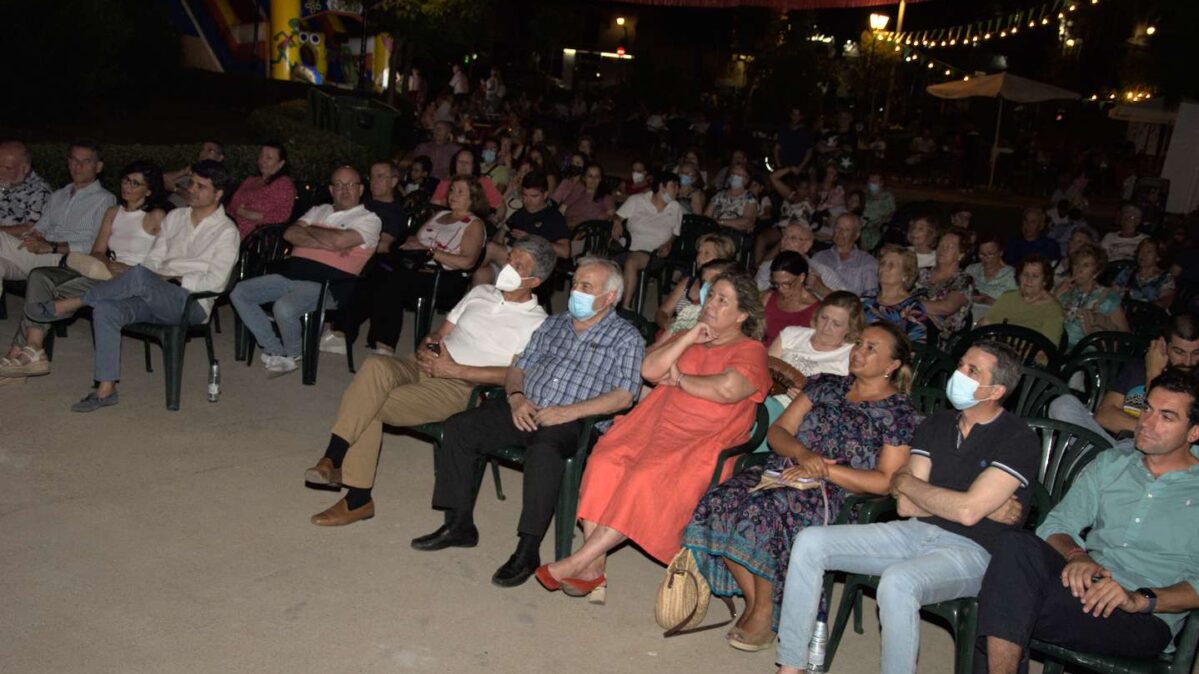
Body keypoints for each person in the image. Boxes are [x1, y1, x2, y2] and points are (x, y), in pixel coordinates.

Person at [775, 341, 1040, 674]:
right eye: (960, 365)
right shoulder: (936, 424)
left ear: (996, 389)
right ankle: (791, 667)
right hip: (914, 531)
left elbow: (967, 512)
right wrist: (956, 500)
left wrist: (922, 489)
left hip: (975, 550)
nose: (959, 374)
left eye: (973, 371)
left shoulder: (1018, 438)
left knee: (898, 582)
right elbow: (904, 504)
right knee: (811, 541)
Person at [410, 257, 644, 588]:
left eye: (586, 287)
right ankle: (459, 523)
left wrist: (568, 412)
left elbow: (625, 396)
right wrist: (517, 396)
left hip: (574, 421)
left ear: (609, 297)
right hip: (525, 405)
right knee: (461, 427)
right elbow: (518, 366)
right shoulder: (553, 324)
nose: (575, 290)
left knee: (544, 451)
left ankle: (528, 547)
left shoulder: (625, 338)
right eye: (575, 283)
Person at [536, 271, 771, 598]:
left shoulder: (751, 349)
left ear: (742, 315)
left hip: (702, 438)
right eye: (711, 295)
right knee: (606, 459)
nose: (711, 304)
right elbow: (648, 370)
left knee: (643, 477)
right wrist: (689, 339)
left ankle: (579, 560)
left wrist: (682, 381)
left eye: (722, 300)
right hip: (654, 424)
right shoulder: (692, 333)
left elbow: (729, 388)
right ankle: (593, 567)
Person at [685, 322, 918, 650]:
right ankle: (758, 602)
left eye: (871, 349)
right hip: (787, 471)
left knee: (764, 509)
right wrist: (802, 454)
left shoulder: (897, 413)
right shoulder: (825, 385)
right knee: (720, 498)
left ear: (892, 366)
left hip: (840, 496)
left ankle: (764, 610)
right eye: (859, 344)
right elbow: (779, 431)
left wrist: (822, 471)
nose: (858, 353)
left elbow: (885, 482)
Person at [303, 236, 557, 526]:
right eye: (511, 259)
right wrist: (430, 344)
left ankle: (357, 496)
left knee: (370, 404)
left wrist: (456, 370)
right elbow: (441, 332)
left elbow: (513, 373)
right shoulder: (481, 292)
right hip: (424, 364)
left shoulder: (538, 323)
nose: (509, 267)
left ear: (535, 281)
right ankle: (333, 460)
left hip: (462, 387)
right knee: (375, 366)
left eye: (519, 265)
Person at [976, 369, 1199, 673]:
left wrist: (1140, 599)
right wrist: (1077, 555)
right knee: (1015, 545)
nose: (1146, 422)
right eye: (1147, 408)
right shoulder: (1111, 465)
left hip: (1143, 619)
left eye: (1167, 417)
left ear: (1194, 432)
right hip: (1085, 589)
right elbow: (1056, 526)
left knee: (1002, 599)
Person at [23, 160, 238, 412]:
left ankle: (72, 302)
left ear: (219, 194)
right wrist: (156, 276)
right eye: (192, 183)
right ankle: (106, 389)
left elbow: (218, 281)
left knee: (138, 275)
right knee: (106, 308)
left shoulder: (227, 231)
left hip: (191, 303)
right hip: (153, 291)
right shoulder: (176, 217)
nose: (192, 189)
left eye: (202, 186)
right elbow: (154, 259)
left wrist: (174, 279)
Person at [0, 161, 167, 380]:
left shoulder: (156, 216)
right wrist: (108, 264)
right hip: (104, 272)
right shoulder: (113, 212)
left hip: (133, 278)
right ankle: (33, 348)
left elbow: (164, 260)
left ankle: (21, 353)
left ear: (149, 190)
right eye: (126, 180)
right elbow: (97, 251)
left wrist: (131, 269)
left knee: (51, 291)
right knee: (39, 276)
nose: (127, 186)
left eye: (135, 183)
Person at [231, 166, 381, 377]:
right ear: (331, 189)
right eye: (338, 185)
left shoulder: (369, 219)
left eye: (350, 185)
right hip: (291, 274)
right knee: (240, 292)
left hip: (330, 284)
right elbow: (291, 233)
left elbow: (339, 240)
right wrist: (329, 240)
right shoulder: (319, 210)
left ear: (361, 189)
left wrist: (312, 232)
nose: (344, 190)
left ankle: (293, 354)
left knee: (283, 307)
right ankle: (275, 349)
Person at [370, 175, 488, 354]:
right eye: (452, 190)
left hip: (444, 276)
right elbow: (417, 239)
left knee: (393, 281)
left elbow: (467, 262)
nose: (453, 195)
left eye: (460, 192)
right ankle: (363, 334)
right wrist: (410, 243)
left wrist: (431, 252)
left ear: (473, 198)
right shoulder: (440, 214)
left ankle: (385, 345)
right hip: (416, 267)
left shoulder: (474, 224)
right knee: (376, 271)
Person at [1049, 312, 1199, 443]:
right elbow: (1104, 416)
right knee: (1062, 404)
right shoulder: (1137, 368)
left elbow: (1169, 436)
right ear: (1163, 345)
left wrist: (1153, 377)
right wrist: (1150, 429)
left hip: (1155, 456)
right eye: (1179, 352)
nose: (1188, 361)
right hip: (1115, 446)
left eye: (1196, 353)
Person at [0, 141, 115, 299]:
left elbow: (95, 247)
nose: (78, 166)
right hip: (37, 256)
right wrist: (35, 237)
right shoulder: (58, 195)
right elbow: (38, 229)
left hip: (66, 261)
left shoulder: (105, 200)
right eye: (74, 160)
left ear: (99, 166)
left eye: (86, 161)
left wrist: (52, 247)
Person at [321, 161, 407, 355]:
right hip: (336, 247)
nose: (374, 181)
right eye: (372, 176)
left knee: (382, 278)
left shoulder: (394, 212)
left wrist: (350, 245)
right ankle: (339, 330)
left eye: (381, 176)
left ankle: (345, 332)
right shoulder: (361, 201)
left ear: (394, 181)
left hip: (370, 258)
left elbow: (383, 245)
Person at [473, 170, 569, 287]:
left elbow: (565, 252)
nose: (527, 201)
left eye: (534, 196)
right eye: (524, 195)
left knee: (490, 248)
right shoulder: (520, 213)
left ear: (545, 195)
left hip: (533, 264)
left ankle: (463, 272)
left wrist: (531, 239)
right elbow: (497, 243)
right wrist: (503, 229)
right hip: (509, 260)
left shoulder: (554, 217)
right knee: (481, 273)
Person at [613, 170, 683, 309]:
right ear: (662, 187)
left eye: (677, 186)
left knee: (632, 261)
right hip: (627, 248)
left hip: (653, 254)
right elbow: (618, 216)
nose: (677, 190)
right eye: (673, 186)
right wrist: (617, 223)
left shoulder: (676, 208)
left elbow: (675, 233)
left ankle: (625, 307)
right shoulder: (637, 200)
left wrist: (669, 244)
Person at [767, 291, 864, 387]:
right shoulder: (791, 334)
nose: (826, 327)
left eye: (836, 324)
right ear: (817, 314)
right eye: (824, 318)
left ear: (851, 327)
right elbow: (765, 368)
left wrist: (807, 397)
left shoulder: (850, 356)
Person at [1055, 244, 1129, 350]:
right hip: (1057, 347)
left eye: (1086, 265)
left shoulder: (1107, 297)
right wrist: (1055, 296)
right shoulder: (1065, 291)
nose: (1079, 270)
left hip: (1088, 354)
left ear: (1097, 271)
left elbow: (1125, 337)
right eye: (1076, 264)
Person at [656, 233, 735, 331]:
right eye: (699, 252)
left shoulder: (727, 289)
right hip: (676, 334)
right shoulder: (688, 282)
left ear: (722, 259)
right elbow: (662, 312)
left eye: (707, 253)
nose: (699, 258)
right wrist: (667, 324)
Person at [981, 255, 1064, 345]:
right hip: (996, 350)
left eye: (1035, 276)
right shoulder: (1008, 297)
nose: (1029, 280)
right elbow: (986, 325)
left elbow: (1047, 350)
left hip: (1028, 357)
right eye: (1025, 274)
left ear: (1045, 280)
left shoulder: (1053, 309)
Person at [915, 227, 974, 345]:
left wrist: (907, 304)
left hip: (939, 341)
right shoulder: (921, 273)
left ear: (961, 255)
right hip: (911, 327)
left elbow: (947, 307)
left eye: (949, 247)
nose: (942, 249)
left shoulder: (963, 280)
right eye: (941, 245)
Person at [755, 221, 847, 297]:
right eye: (784, 237)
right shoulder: (767, 268)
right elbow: (753, 298)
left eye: (793, 238)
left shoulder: (819, 271)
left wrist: (821, 289)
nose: (785, 242)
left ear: (807, 245)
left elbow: (847, 302)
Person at [227, 141, 296, 239]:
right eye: (261, 156)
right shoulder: (250, 180)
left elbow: (281, 216)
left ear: (281, 164)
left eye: (269, 158)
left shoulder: (284, 184)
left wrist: (248, 214)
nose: (263, 161)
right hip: (229, 225)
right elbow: (234, 203)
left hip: (254, 236)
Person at [863, 246, 928, 343]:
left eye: (891, 265)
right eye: (882, 263)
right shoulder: (867, 296)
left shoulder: (912, 308)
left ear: (905, 275)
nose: (884, 268)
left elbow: (916, 346)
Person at [658, 258, 739, 336]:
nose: (706, 287)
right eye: (704, 282)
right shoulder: (692, 310)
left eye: (713, 282)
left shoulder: (729, 316)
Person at [809, 213, 878, 297]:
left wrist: (823, 290)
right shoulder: (819, 257)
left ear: (856, 235)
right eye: (838, 227)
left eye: (846, 229)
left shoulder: (867, 262)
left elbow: (869, 299)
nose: (840, 232)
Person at [762, 252, 820, 345]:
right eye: (776, 283)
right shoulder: (768, 298)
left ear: (801, 277)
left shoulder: (815, 309)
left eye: (786, 284)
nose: (780, 289)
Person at [430, 148, 504, 214]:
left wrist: (494, 221)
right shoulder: (445, 182)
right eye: (460, 162)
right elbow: (433, 206)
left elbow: (500, 207)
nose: (463, 165)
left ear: (473, 166)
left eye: (467, 162)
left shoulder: (483, 182)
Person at [965, 233, 1017, 324]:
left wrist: (987, 300)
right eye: (982, 254)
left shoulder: (1012, 275)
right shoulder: (971, 270)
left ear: (1001, 253)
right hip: (967, 317)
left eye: (990, 254)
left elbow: (1015, 308)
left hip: (995, 321)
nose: (985, 258)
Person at [1113, 237, 1175, 309]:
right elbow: (1112, 293)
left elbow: (1166, 300)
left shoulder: (1165, 277)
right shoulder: (1128, 273)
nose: (1143, 254)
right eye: (1141, 250)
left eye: (1148, 252)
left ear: (1158, 257)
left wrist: (1144, 308)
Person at [0, 140, 51, 226]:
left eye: (8, 168)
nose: (1, 172)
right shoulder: (6, 182)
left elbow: (31, 228)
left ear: (25, 168)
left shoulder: (40, 192)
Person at [554, 162, 614, 230]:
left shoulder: (605, 197)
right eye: (590, 176)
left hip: (588, 233)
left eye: (597, 176)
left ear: (600, 179)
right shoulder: (578, 191)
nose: (593, 179)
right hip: (565, 228)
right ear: (584, 178)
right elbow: (561, 210)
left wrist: (601, 217)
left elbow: (611, 219)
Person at [162, 141, 224, 208]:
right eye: (202, 149)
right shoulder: (193, 171)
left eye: (210, 151)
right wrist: (183, 172)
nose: (203, 153)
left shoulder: (218, 177)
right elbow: (163, 178)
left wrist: (175, 189)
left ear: (220, 158)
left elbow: (198, 199)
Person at [706, 164, 758, 233]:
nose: (735, 177)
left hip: (734, 235)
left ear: (747, 179)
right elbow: (706, 217)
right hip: (713, 232)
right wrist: (734, 224)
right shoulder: (719, 195)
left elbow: (747, 222)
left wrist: (719, 222)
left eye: (739, 175)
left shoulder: (749, 198)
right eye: (733, 173)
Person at [773, 108, 817, 173]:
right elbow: (776, 148)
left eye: (798, 115)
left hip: (799, 168)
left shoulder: (807, 132)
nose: (795, 117)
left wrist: (800, 167)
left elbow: (809, 152)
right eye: (793, 115)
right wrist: (779, 165)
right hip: (784, 167)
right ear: (790, 115)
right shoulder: (784, 130)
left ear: (802, 116)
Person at [861, 173, 896, 252]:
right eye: (870, 181)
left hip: (879, 223)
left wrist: (882, 221)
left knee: (868, 234)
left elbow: (892, 212)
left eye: (875, 181)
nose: (872, 183)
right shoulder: (865, 194)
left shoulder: (887, 196)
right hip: (863, 222)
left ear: (881, 183)